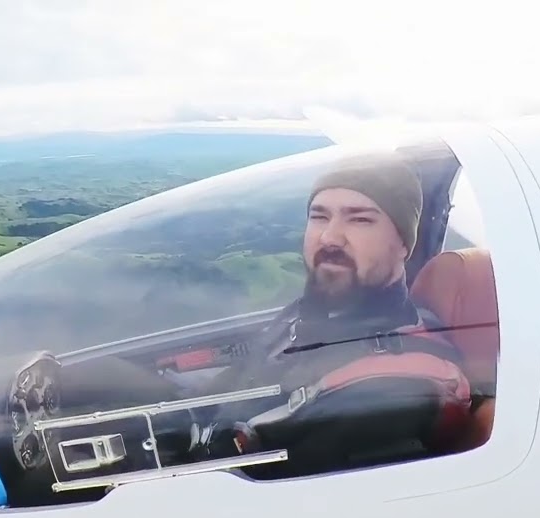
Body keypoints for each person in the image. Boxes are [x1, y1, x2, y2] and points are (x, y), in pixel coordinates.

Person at [190, 150, 473, 477]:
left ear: (404, 245)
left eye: (360, 219)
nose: (330, 237)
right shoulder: (312, 313)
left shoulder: (393, 390)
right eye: (319, 216)